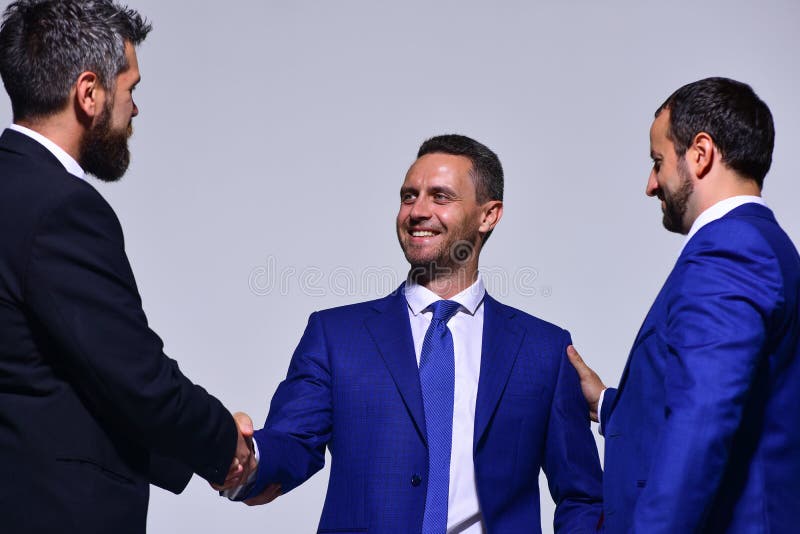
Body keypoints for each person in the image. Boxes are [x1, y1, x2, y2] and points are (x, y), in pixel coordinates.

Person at [231, 134, 603, 533]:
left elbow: (582, 494)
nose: (417, 211)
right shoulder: (336, 336)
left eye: (440, 197)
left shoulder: (543, 350)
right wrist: (244, 456)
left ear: (488, 215)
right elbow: (291, 444)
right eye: (409, 196)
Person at [0, 1, 255, 532]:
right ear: (89, 93)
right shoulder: (59, 207)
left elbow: (56, 375)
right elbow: (132, 377)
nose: (134, 109)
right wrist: (222, 444)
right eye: (131, 88)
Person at [568, 77, 800, 533]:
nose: (651, 185)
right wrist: (608, 404)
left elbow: (703, 419)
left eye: (658, 162)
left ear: (700, 153)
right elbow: (729, 392)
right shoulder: (767, 245)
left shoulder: (731, 249)